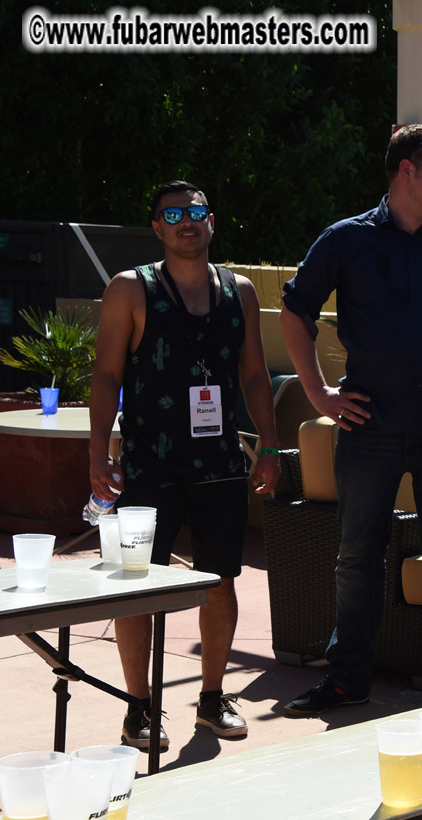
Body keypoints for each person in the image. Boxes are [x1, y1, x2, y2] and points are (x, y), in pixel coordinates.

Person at [280, 125, 422, 713]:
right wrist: (320, 394)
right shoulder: (344, 239)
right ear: (406, 170)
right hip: (367, 429)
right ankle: (347, 680)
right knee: (356, 559)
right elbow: (294, 311)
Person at [88, 180, 281, 748]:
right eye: (173, 214)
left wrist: (268, 445)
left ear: (212, 220)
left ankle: (212, 698)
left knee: (219, 582)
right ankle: (138, 707)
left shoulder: (238, 291)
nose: (186, 221)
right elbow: (106, 375)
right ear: (156, 227)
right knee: (135, 589)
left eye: (195, 211)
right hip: (149, 464)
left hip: (220, 462)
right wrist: (98, 451)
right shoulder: (132, 288)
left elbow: (252, 373)